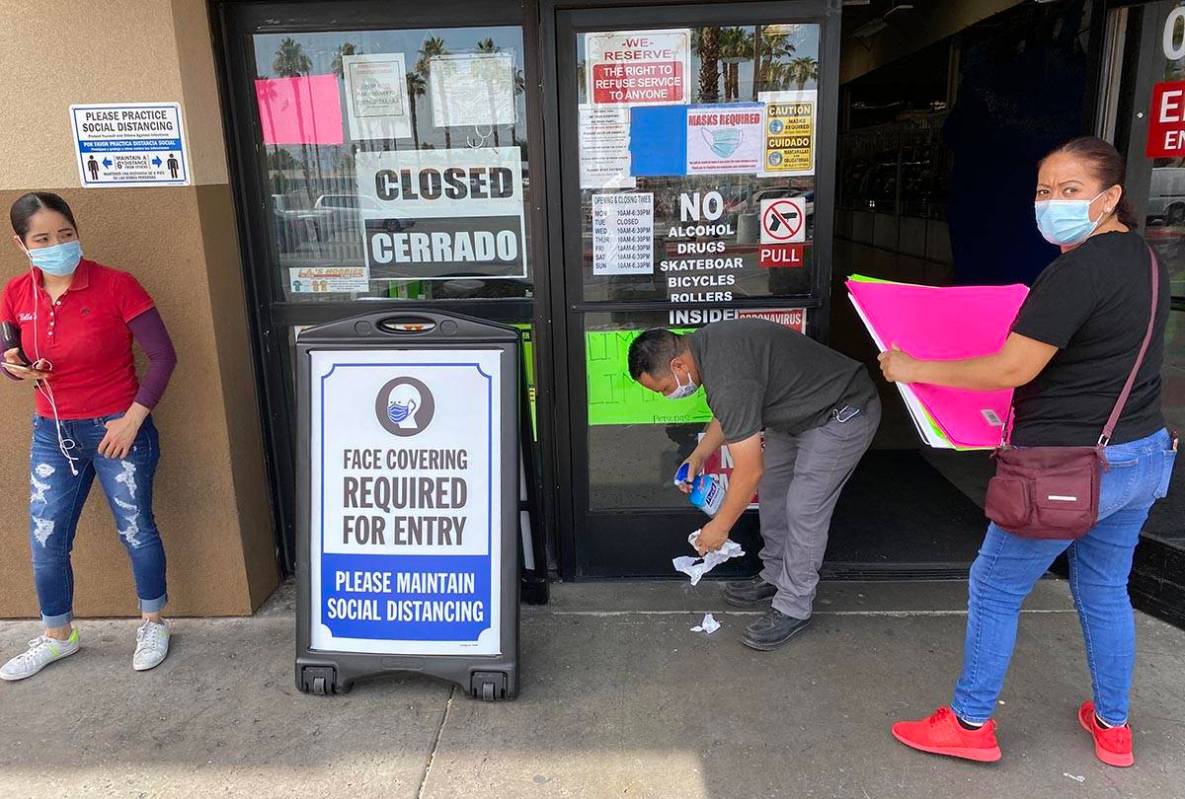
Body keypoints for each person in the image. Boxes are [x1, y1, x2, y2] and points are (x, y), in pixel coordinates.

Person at [881, 137, 1176, 767]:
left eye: (1071, 191)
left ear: (1111, 196)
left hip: (1067, 467)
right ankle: (1113, 723)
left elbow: (1013, 368)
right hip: (1141, 456)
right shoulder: (1148, 261)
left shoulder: (1076, 270)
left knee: (994, 585)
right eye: (1044, 191)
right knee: (1103, 588)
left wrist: (913, 365)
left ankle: (969, 722)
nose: (1052, 203)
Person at [0, 192, 178, 681]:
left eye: (65, 234)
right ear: (22, 244)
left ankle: (153, 621)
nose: (57, 245)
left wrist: (132, 419)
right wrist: (15, 368)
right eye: (43, 239)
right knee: (45, 535)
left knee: (135, 527)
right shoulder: (17, 293)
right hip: (50, 433)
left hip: (116, 428)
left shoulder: (116, 285)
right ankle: (59, 636)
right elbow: (8, 354)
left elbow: (163, 357)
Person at [628, 318, 881, 651]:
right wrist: (699, 455)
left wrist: (718, 528)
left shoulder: (726, 369)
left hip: (841, 413)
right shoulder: (706, 351)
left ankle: (794, 605)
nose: (667, 395)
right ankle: (776, 574)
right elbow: (730, 410)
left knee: (804, 508)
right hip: (794, 416)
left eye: (662, 388)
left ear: (678, 364)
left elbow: (749, 471)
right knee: (775, 496)